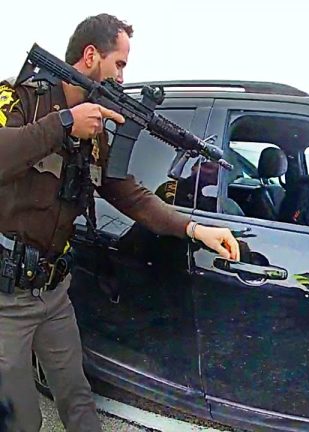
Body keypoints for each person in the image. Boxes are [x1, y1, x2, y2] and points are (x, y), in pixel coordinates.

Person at [0, 14, 240, 432]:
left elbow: (124, 191)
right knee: (19, 417)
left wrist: (194, 229)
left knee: (77, 397)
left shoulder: (99, 127)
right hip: (6, 296)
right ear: (91, 56)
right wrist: (64, 123)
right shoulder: (21, 98)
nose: (124, 76)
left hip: (54, 290)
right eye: (120, 64)